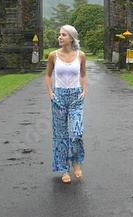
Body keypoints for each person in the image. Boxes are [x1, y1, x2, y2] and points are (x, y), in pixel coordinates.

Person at [45, 25, 87, 184]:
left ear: (71, 38)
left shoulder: (81, 56)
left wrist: (84, 91)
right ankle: (63, 169)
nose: (60, 37)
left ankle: (76, 162)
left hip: (76, 97)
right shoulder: (53, 56)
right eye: (59, 35)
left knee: (77, 131)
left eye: (63, 35)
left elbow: (83, 75)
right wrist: (51, 94)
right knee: (61, 135)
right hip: (59, 97)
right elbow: (48, 76)